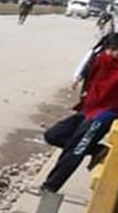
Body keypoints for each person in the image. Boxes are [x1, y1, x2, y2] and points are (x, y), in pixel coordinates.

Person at [42, 32, 118, 193]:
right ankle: (97, 150)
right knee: (53, 135)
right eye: (110, 49)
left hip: (105, 113)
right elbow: (89, 69)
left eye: (115, 50)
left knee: (76, 148)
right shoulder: (102, 59)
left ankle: (50, 186)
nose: (111, 53)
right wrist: (81, 85)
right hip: (88, 109)